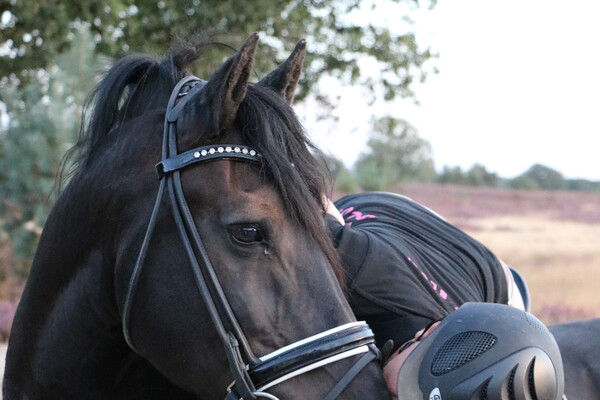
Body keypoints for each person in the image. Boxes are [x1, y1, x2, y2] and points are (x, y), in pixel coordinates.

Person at [325, 192, 565, 400]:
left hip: (478, 278)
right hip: (385, 210)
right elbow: (303, 192)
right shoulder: (357, 264)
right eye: (404, 392)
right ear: (427, 333)